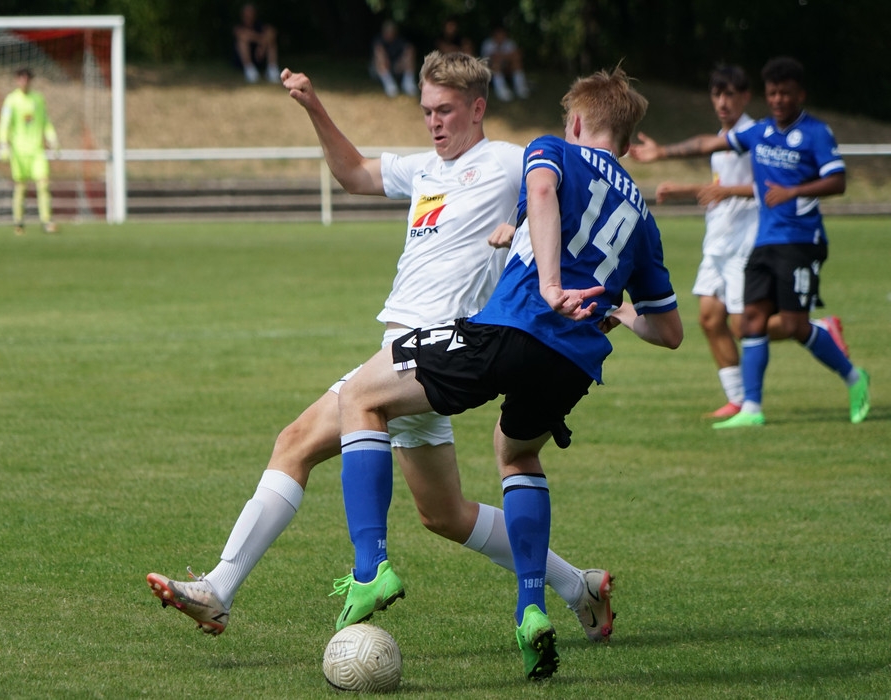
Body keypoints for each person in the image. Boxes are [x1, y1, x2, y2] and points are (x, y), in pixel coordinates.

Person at [146, 51, 616, 647]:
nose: (434, 122)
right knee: (444, 514)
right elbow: (356, 174)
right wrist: (315, 107)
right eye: (426, 111)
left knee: (295, 442)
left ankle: (224, 588)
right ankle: (579, 586)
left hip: (437, 348)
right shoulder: (423, 169)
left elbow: (569, 198)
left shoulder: (509, 161)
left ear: (478, 108)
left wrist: (535, 235)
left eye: (446, 110)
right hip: (411, 353)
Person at [334, 66, 683, 680]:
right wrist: (620, 312)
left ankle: (370, 569)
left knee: (362, 396)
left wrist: (548, 284)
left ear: (577, 122)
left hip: (513, 329)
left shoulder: (553, 150)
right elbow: (670, 331)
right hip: (574, 362)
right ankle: (531, 609)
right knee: (516, 454)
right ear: (628, 144)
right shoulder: (643, 219)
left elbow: (543, 192)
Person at [631, 56, 871, 428]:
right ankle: (750, 408)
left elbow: (837, 181)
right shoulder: (760, 133)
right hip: (761, 240)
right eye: (773, 93)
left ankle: (853, 375)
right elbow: (708, 145)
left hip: (798, 240)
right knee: (746, 322)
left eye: (785, 93)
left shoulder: (815, 133)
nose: (778, 100)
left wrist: (792, 191)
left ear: (800, 94)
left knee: (790, 325)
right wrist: (663, 153)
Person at [652, 65, 759, 417]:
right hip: (718, 240)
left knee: (744, 326)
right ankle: (737, 400)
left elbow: (769, 187)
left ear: (745, 96)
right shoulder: (721, 139)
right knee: (710, 320)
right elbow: (719, 188)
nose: (723, 102)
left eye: (730, 94)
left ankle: (816, 330)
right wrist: (683, 190)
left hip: (745, 241)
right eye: (717, 95)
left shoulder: (755, 136)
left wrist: (725, 191)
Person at [0, 67, 59, 235]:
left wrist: (52, 139)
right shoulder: (11, 100)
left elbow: (45, 121)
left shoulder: (38, 99)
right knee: (21, 187)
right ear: (17, 80)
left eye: (27, 78)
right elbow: (5, 123)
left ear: (31, 80)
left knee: (44, 184)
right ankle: (19, 222)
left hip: (37, 151)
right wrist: (3, 143)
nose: (24, 81)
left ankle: (46, 221)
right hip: (19, 152)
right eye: (21, 78)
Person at [233, 3, 280, 84]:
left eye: (251, 13)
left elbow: (272, 32)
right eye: (246, 13)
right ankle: (250, 71)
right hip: (242, 60)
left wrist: (262, 46)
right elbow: (243, 35)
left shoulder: (260, 25)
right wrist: (262, 41)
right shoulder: (238, 26)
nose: (249, 15)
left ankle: (272, 70)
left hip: (260, 57)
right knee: (242, 42)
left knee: (271, 42)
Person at [480, 26, 529, 101]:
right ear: (494, 35)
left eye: (502, 34)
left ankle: (521, 88)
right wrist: (507, 56)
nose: (500, 37)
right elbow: (493, 58)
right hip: (489, 69)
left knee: (517, 63)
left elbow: (517, 55)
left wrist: (503, 57)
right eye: (498, 34)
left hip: (506, 66)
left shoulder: (509, 43)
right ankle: (502, 91)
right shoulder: (488, 43)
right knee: (496, 65)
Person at [372, 20, 417, 98]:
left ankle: (408, 83)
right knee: (380, 58)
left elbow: (409, 49)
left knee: (410, 52)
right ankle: (390, 85)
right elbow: (378, 55)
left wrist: (401, 61)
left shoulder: (400, 41)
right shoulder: (378, 41)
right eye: (387, 32)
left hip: (397, 67)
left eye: (391, 32)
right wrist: (385, 61)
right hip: (380, 69)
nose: (389, 34)